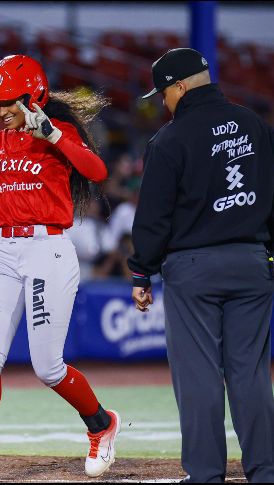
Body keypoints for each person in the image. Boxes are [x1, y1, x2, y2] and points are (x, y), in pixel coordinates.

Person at [0, 54, 120, 482]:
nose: (0, 110)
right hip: (3, 252)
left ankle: (102, 423)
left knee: (48, 367)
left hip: (47, 249)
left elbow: (97, 170)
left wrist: (52, 133)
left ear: (33, 94)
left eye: (7, 101)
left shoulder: (60, 132)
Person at [129, 47, 274, 483]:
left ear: (178, 86)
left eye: (163, 94)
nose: (163, 103)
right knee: (249, 374)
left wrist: (142, 270)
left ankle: (206, 475)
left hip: (193, 270)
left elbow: (154, 215)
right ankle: (266, 472)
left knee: (199, 377)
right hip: (252, 263)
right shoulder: (256, 126)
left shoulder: (170, 139)